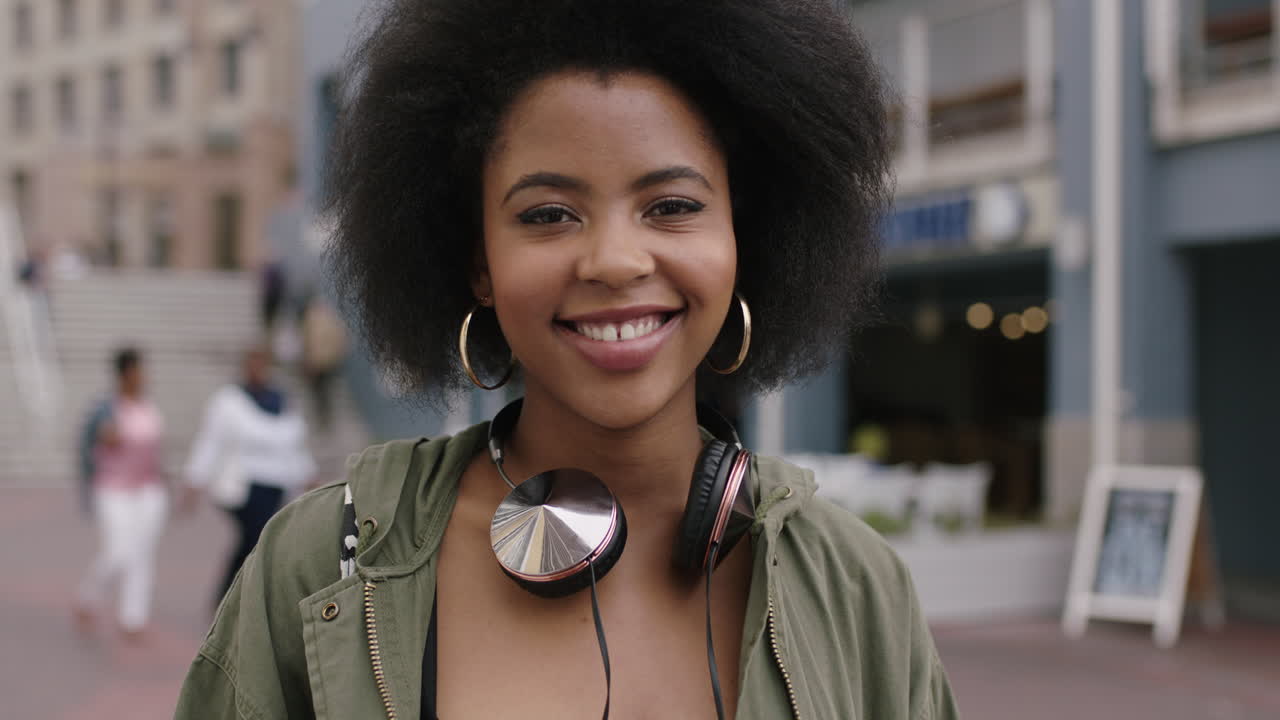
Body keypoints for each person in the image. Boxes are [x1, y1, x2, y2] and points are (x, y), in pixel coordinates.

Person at [175, 1, 960, 718]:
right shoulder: (319, 569)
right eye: (548, 214)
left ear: (741, 241)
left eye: (673, 206)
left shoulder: (856, 588)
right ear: (477, 259)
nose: (615, 261)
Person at [182, 347, 316, 604]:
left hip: (275, 484)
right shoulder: (229, 400)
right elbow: (210, 441)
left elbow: (292, 444)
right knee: (255, 538)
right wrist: (194, 480)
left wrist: (307, 474)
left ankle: (234, 595)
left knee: (257, 540)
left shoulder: (281, 400)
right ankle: (233, 595)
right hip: (242, 485)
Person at [75, 347, 168, 641]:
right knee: (119, 550)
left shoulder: (149, 408)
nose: (144, 376)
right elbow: (92, 444)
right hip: (114, 488)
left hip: (148, 490)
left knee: (142, 553)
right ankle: (88, 594)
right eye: (139, 370)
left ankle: (133, 618)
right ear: (126, 373)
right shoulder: (106, 409)